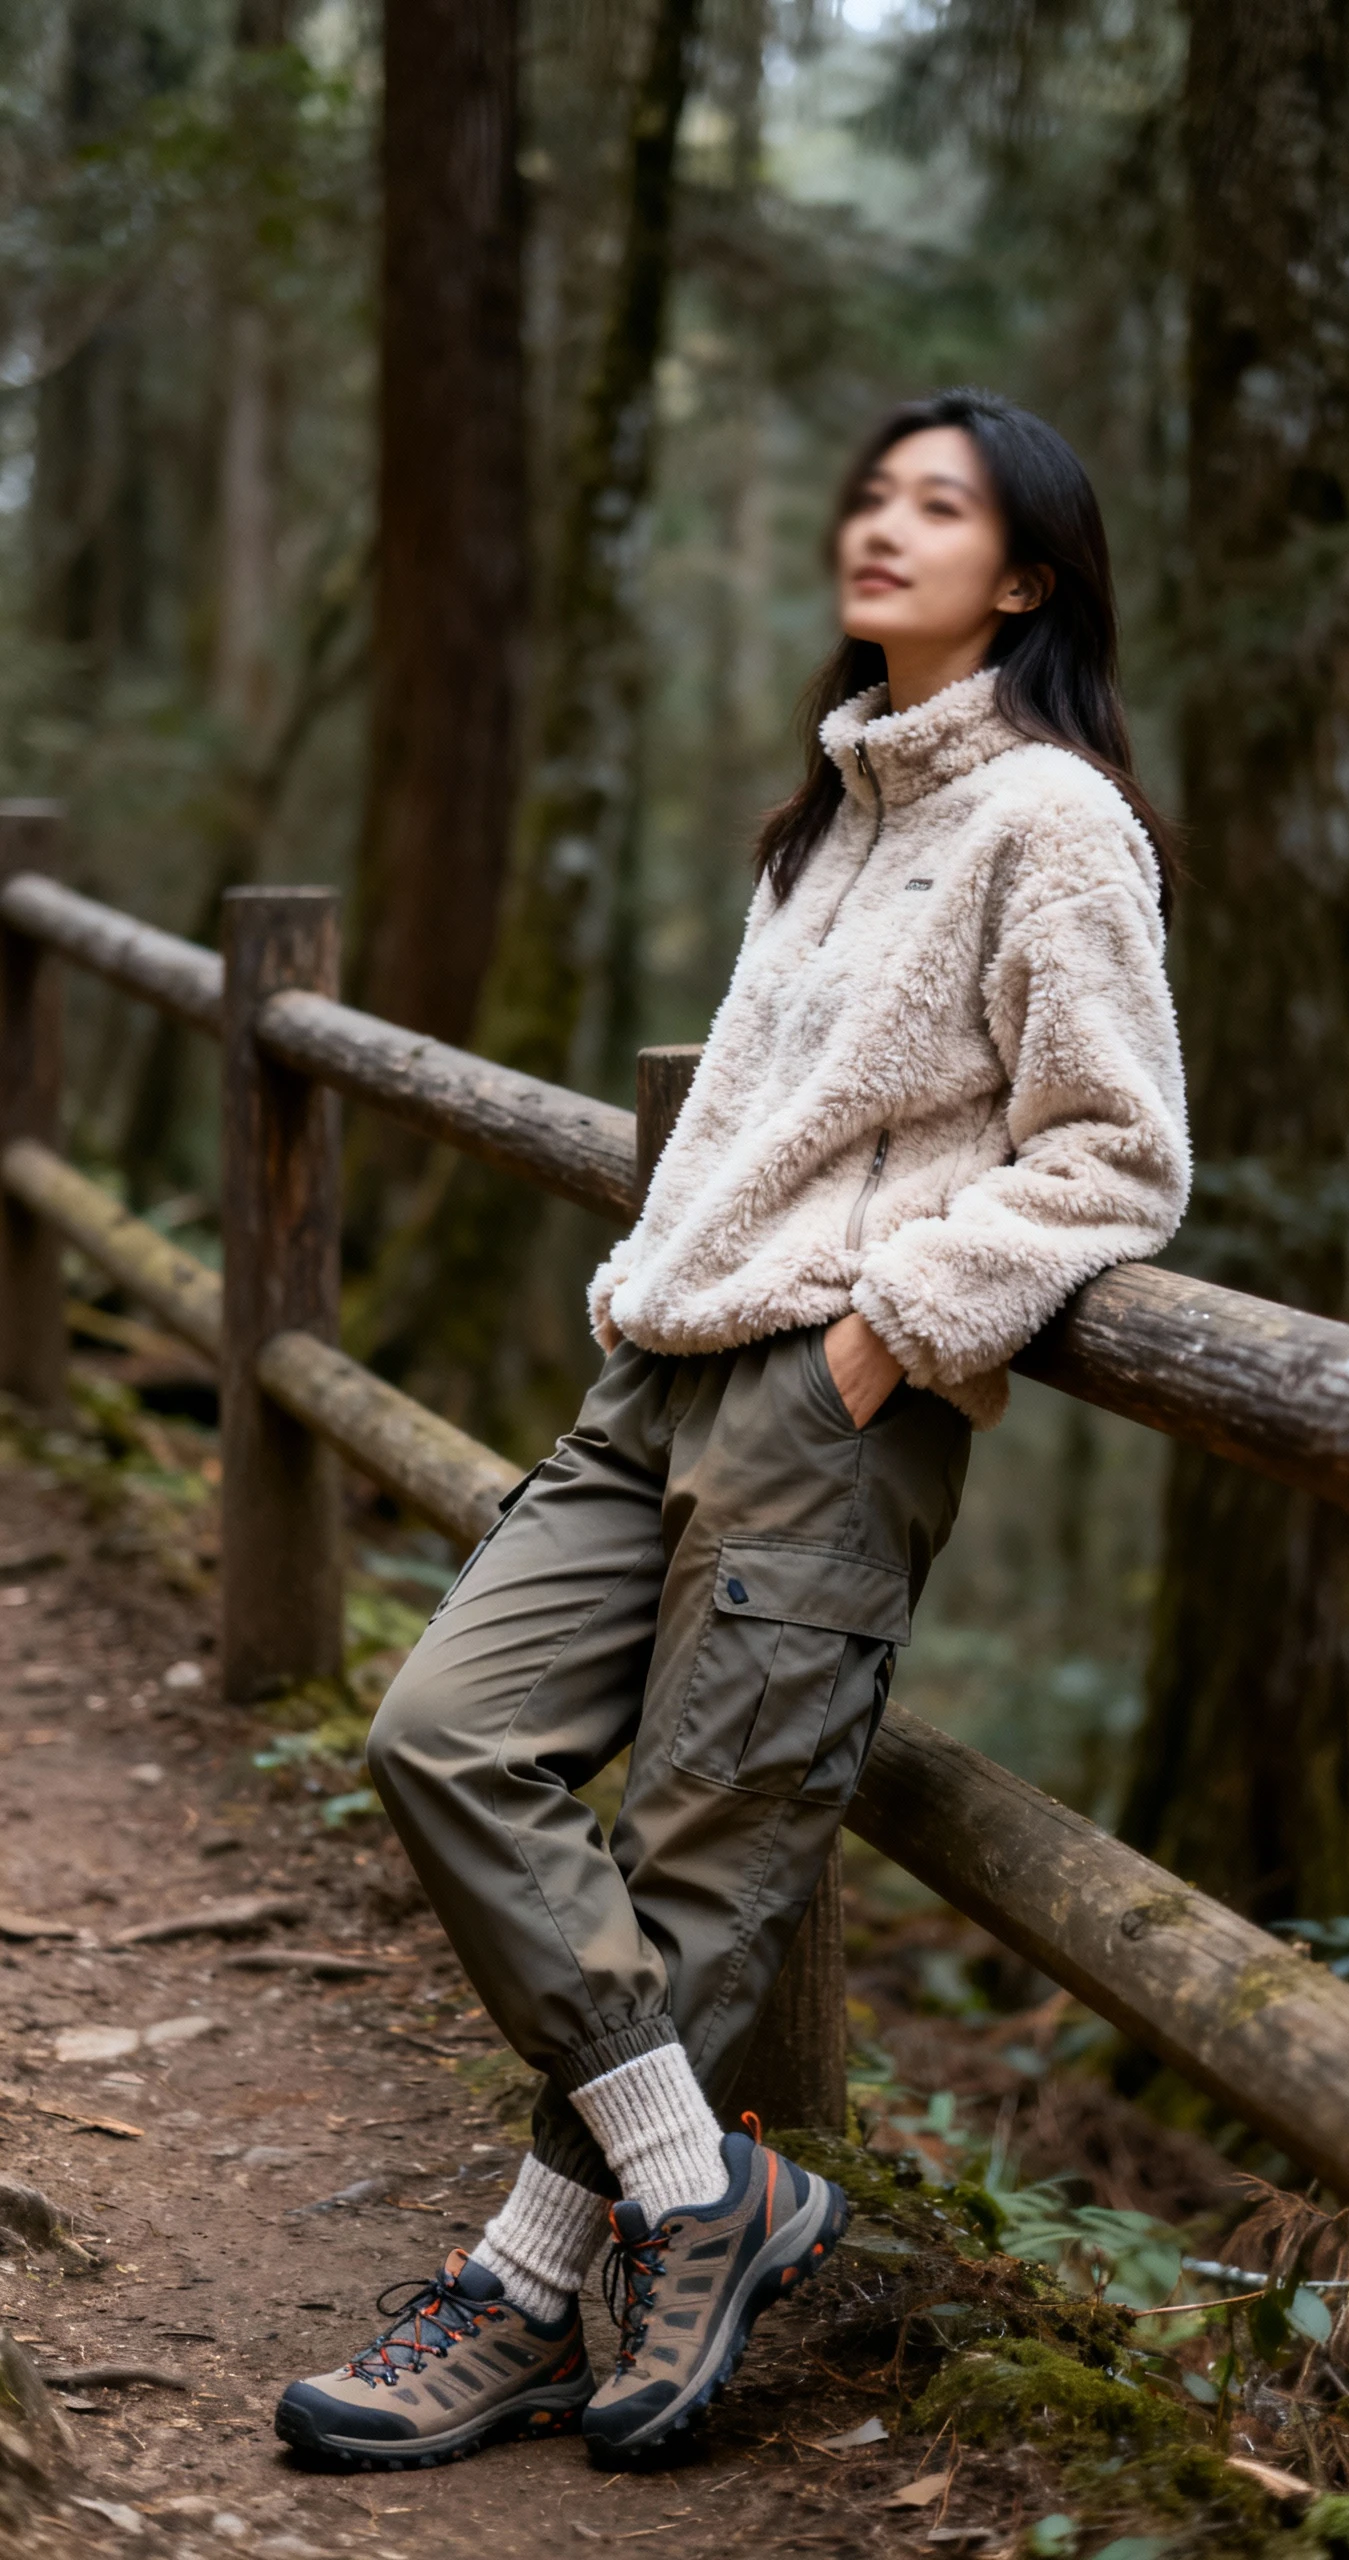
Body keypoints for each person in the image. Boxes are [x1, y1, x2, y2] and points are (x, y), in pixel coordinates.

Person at [276, 386, 1189, 2471]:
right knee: (443, 1729)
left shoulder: (1047, 819)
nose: (881, 525)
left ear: (1026, 575)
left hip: (826, 1400)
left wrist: (885, 1331)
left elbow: (1118, 1153)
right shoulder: (835, 806)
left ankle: (511, 2295)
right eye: (870, 491)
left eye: (938, 507)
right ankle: (711, 2189)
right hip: (654, 1377)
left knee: (695, 1870)